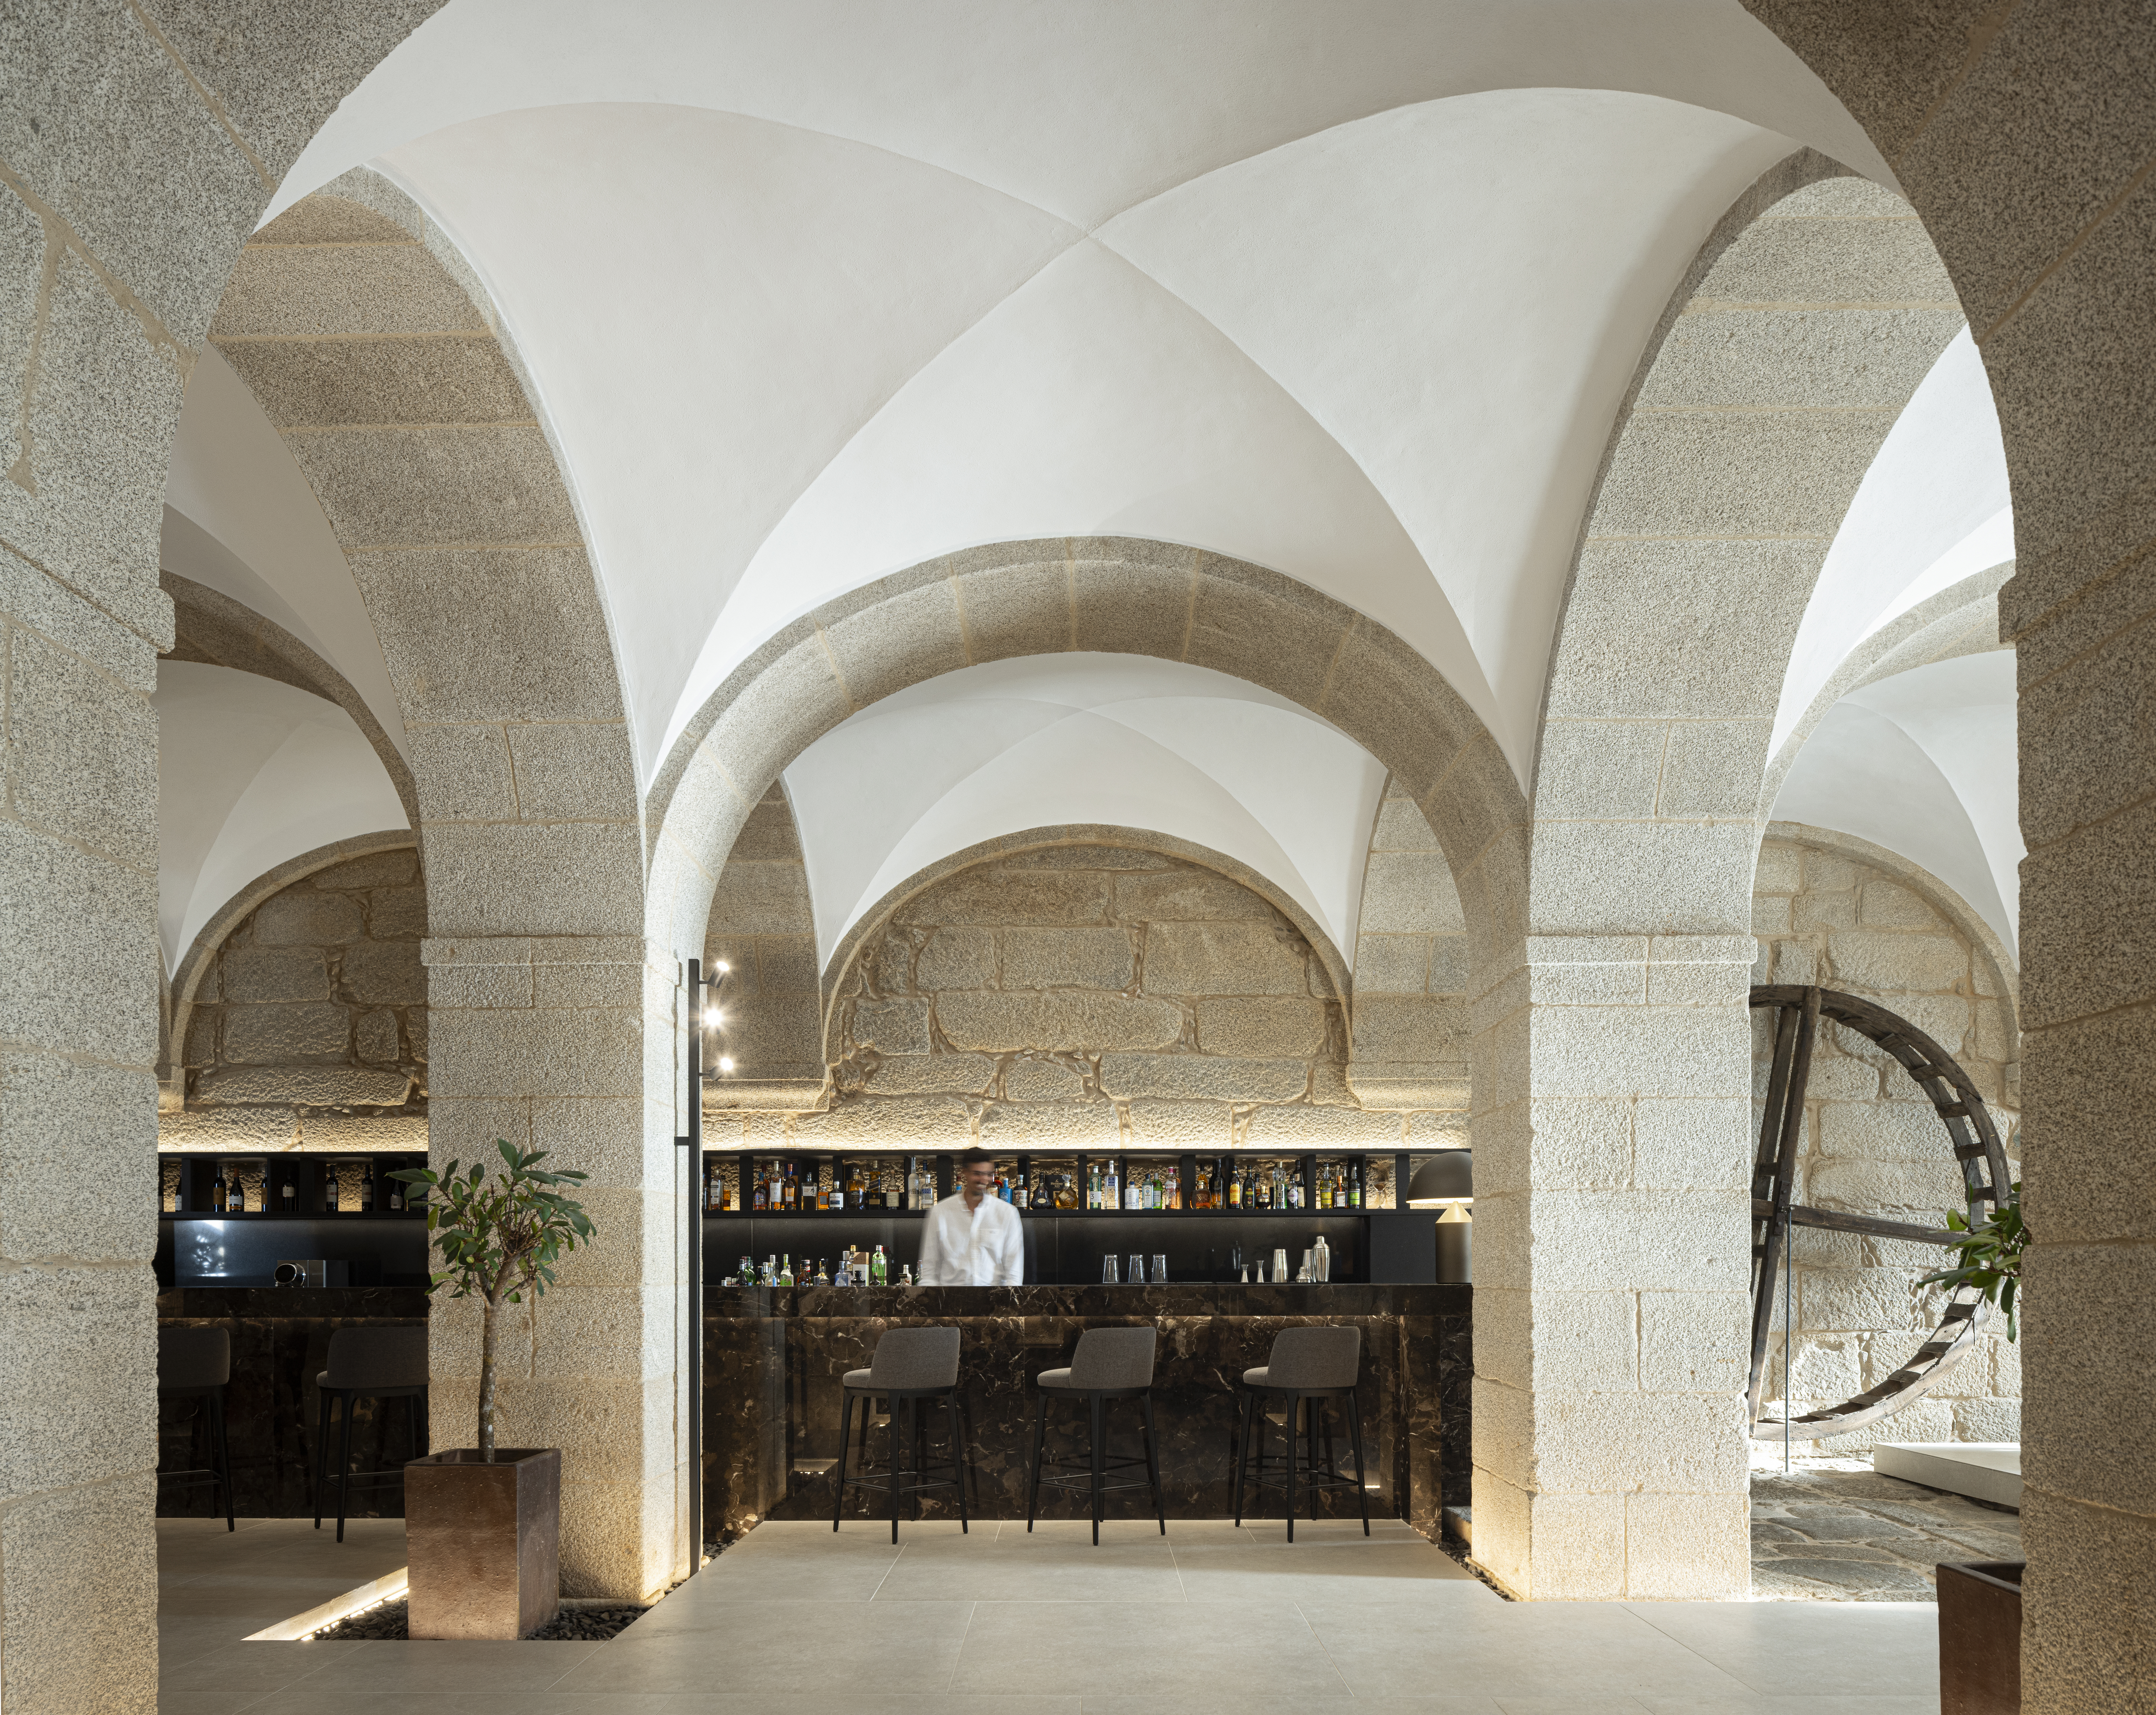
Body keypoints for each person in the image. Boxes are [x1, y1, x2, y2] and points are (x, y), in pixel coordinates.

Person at [916, 1147, 1025, 1286]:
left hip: (994, 1297)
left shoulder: (1007, 1213)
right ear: (965, 1172)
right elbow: (929, 1272)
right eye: (977, 1174)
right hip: (950, 1296)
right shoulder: (940, 1212)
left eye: (988, 1174)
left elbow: (1014, 1273)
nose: (983, 1180)